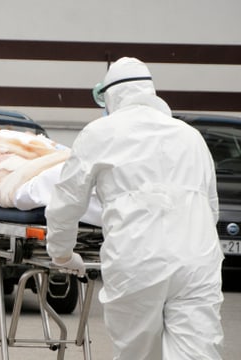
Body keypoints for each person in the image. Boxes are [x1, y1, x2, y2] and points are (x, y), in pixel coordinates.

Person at [45, 57, 224, 359]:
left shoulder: (99, 134)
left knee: (138, 353)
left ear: (111, 94)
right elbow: (210, 209)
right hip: (198, 262)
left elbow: (66, 203)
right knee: (197, 353)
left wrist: (61, 253)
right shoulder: (190, 137)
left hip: (138, 261)